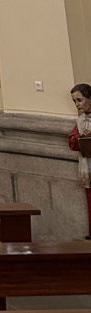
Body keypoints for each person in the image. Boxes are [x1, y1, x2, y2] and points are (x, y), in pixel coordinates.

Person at [67, 83, 91, 239]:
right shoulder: (80, 120)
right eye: (74, 101)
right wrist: (80, 138)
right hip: (88, 168)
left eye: (80, 100)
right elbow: (71, 141)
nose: (77, 104)